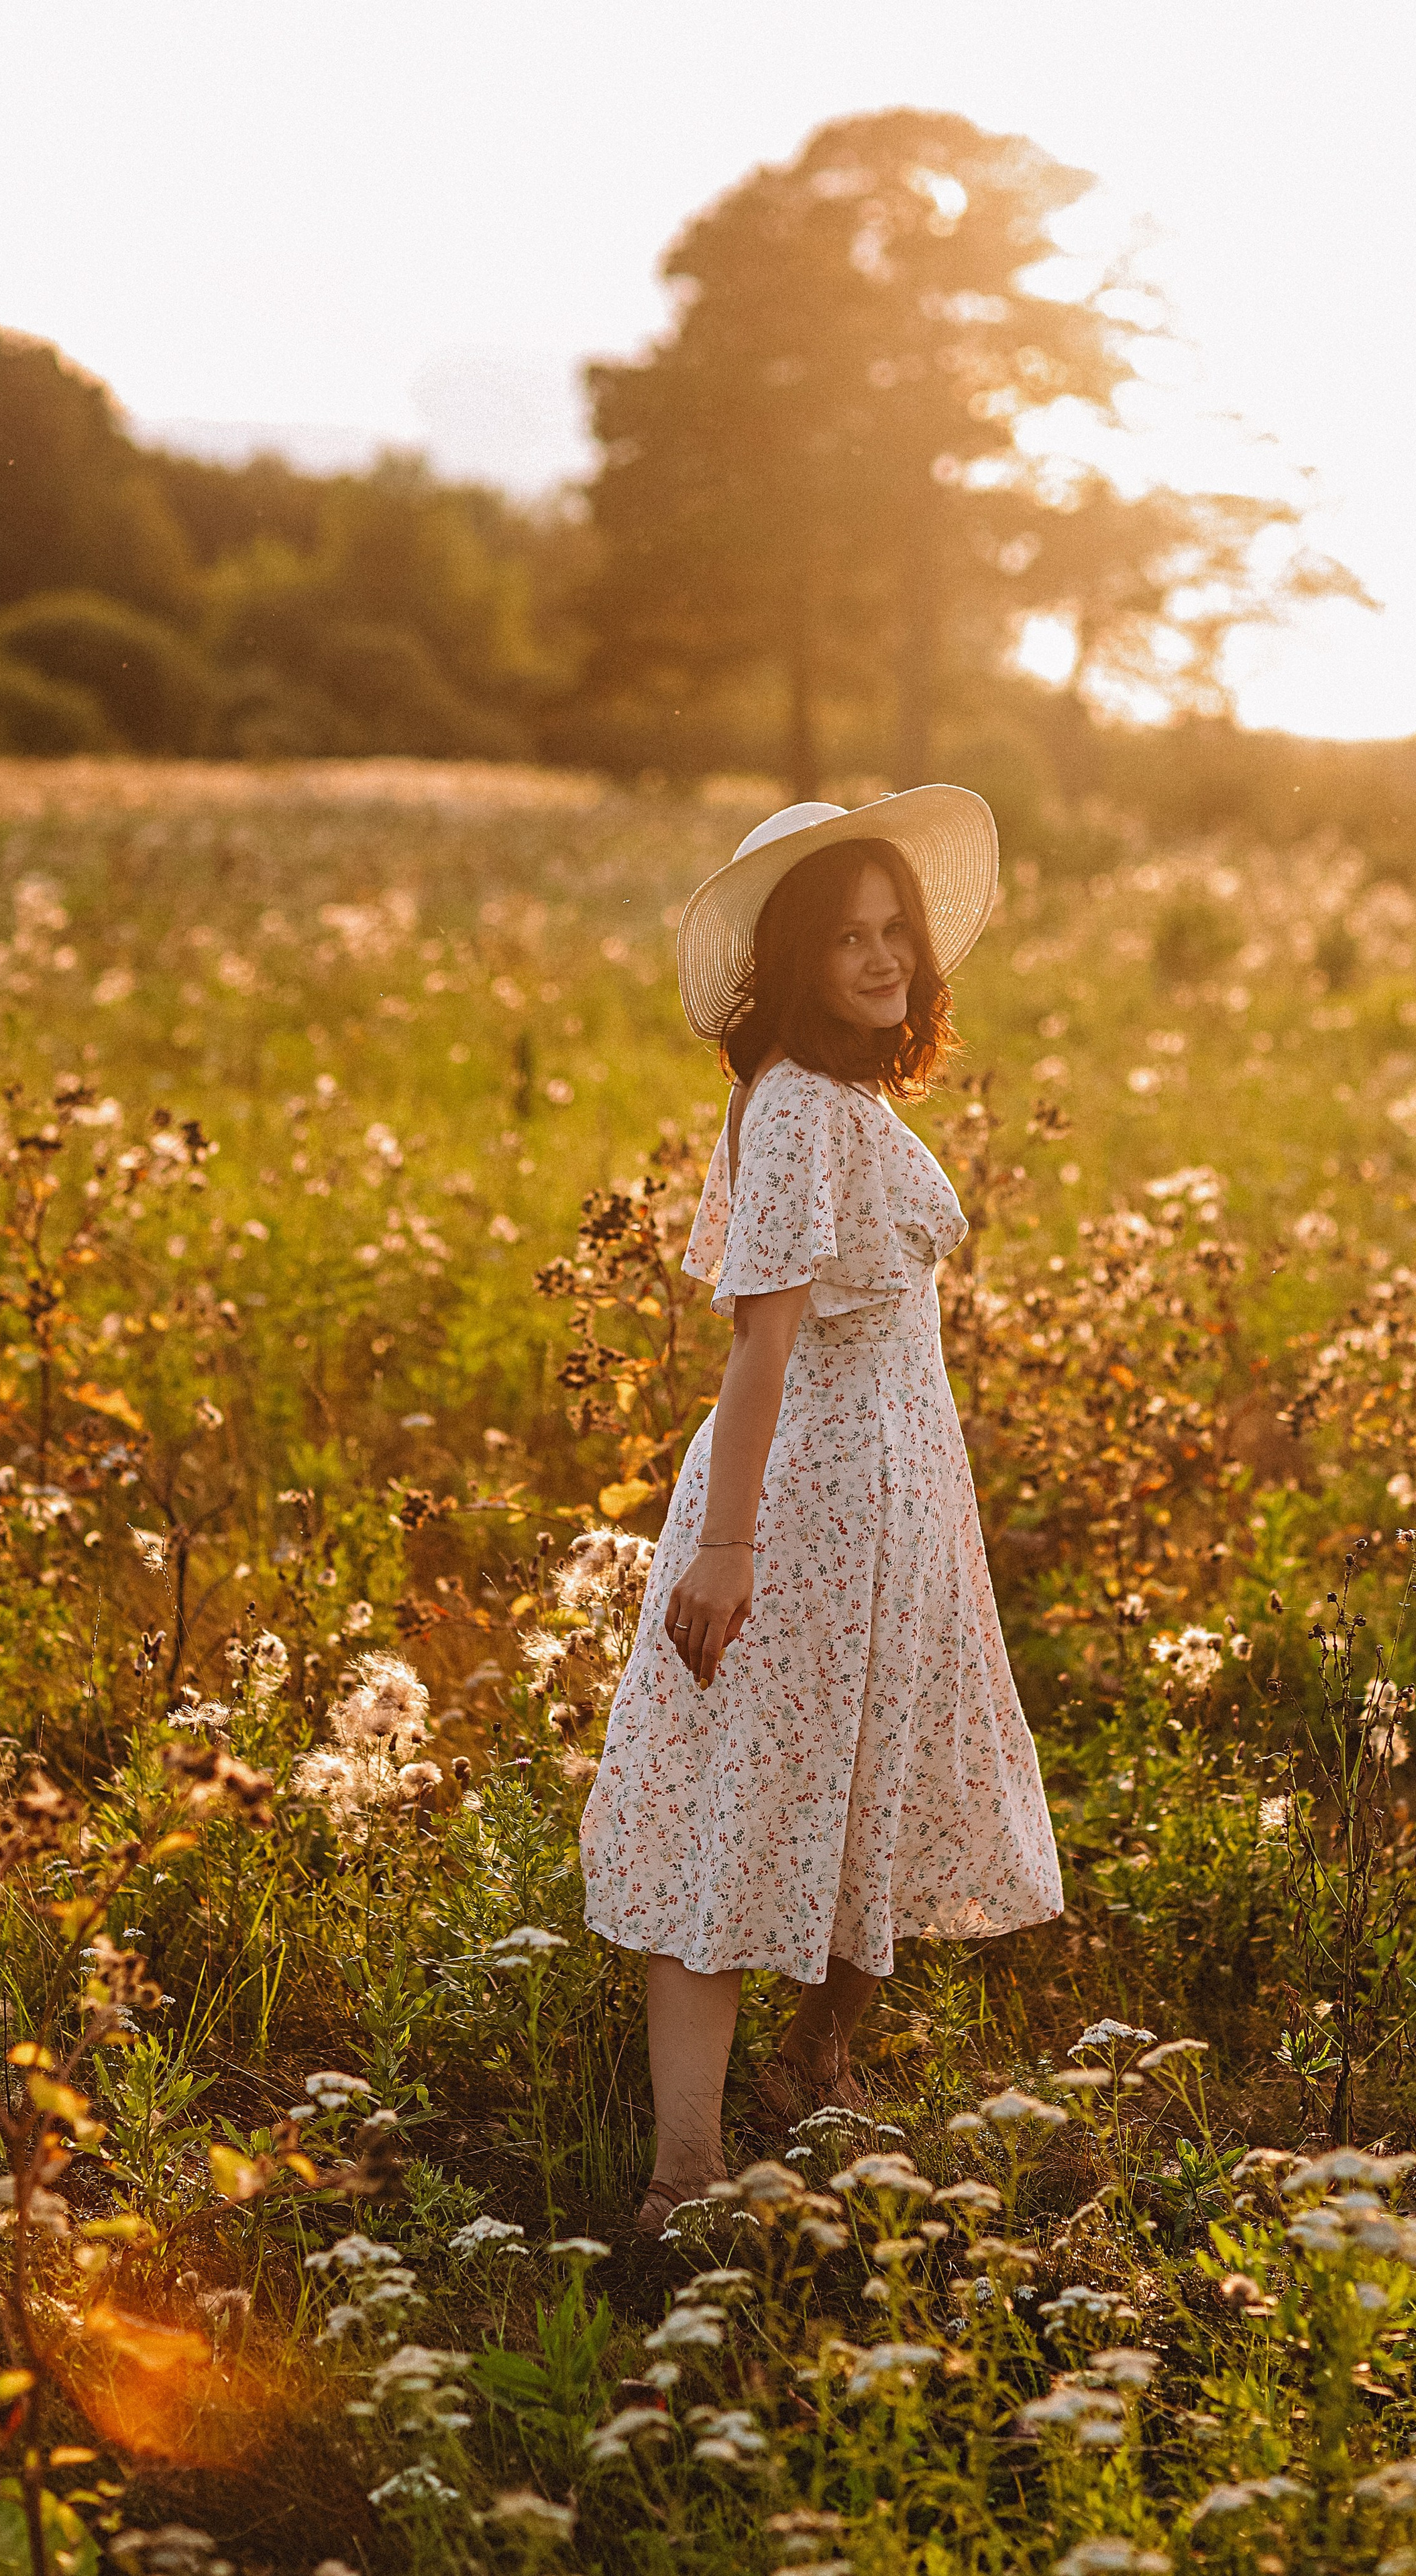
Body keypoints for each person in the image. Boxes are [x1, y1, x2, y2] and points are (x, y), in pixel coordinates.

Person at [578, 788, 1063, 2235]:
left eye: (892, 931)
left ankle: (814, 2066)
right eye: (843, 937)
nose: (879, 958)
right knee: (731, 1817)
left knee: (864, 1788)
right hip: (804, 1513)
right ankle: (682, 2173)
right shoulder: (793, 1100)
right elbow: (758, 1344)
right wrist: (728, 1549)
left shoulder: (841, 1096)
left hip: (895, 1507)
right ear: (792, 957)